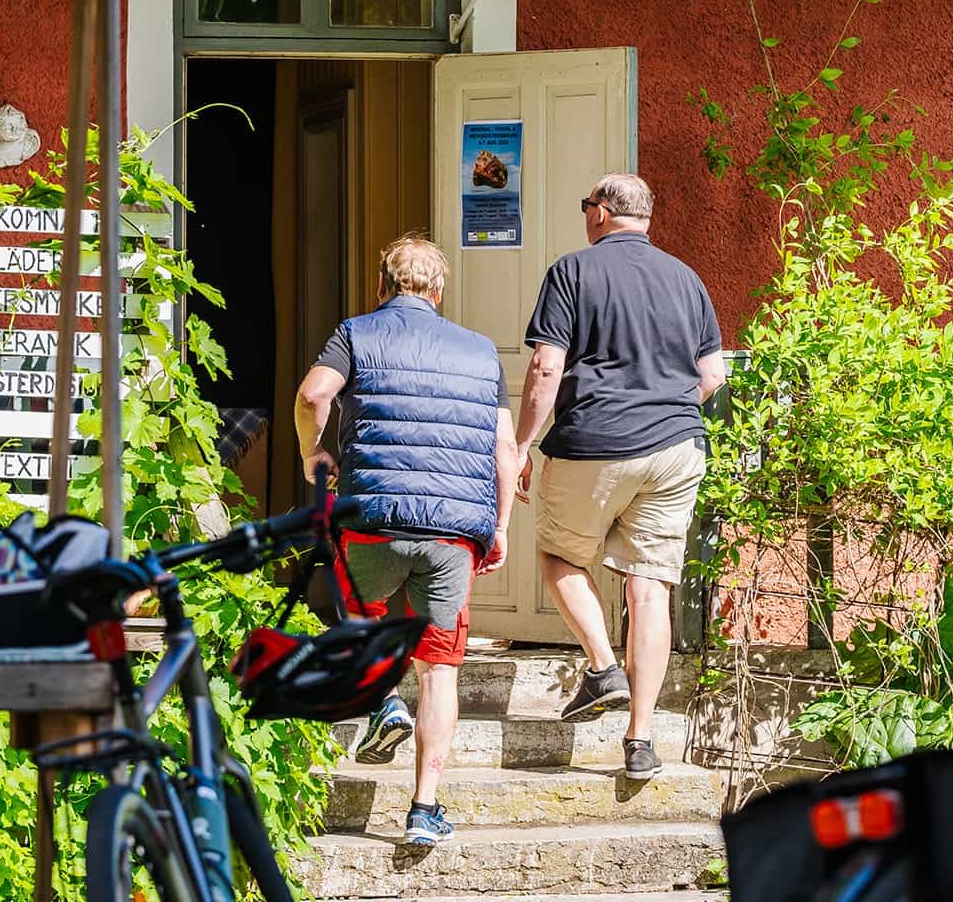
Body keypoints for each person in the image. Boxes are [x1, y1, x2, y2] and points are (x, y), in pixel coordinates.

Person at [293, 234, 519, 846]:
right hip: (453, 531)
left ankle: (381, 701)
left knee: (360, 612)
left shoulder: (356, 333)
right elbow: (504, 450)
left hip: (374, 518)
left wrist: (316, 453)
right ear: (439, 292)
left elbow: (315, 394)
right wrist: (497, 527)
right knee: (440, 668)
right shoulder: (480, 351)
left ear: (381, 286)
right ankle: (424, 809)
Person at [514, 173, 725, 781]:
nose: (585, 215)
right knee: (649, 587)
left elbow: (547, 365)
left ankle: (603, 667)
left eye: (586, 206)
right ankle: (641, 739)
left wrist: (523, 443)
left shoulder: (573, 271)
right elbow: (711, 376)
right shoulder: (687, 279)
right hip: (677, 447)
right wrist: (665, 405)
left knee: (559, 555)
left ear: (602, 212)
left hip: (594, 442)